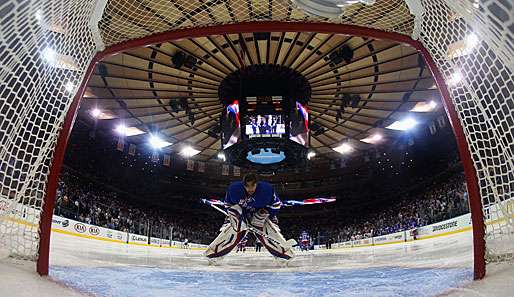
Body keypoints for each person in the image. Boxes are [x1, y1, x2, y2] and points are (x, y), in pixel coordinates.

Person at [205, 173, 294, 260]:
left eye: (253, 185)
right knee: (237, 226)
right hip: (242, 212)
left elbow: (276, 205)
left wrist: (265, 214)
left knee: (263, 227)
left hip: (260, 212)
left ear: (257, 184)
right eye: (247, 186)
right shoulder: (234, 189)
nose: (250, 189)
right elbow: (228, 205)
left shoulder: (266, 190)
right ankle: (214, 253)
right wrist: (238, 216)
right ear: (243, 185)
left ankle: (283, 254)